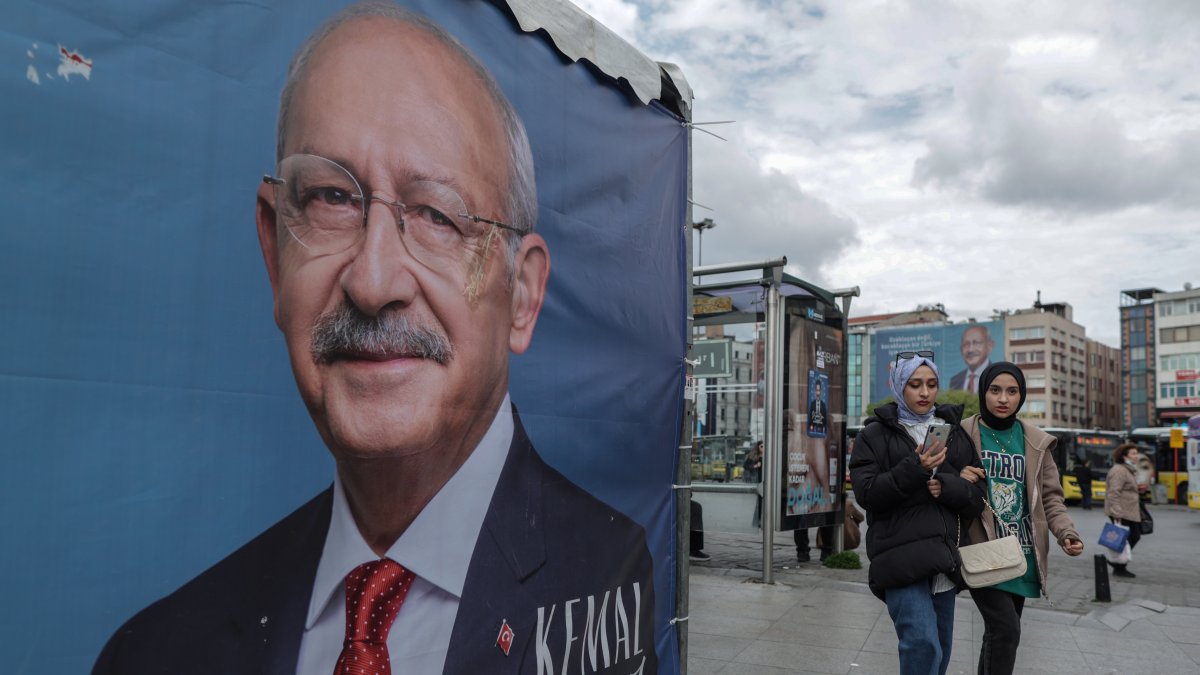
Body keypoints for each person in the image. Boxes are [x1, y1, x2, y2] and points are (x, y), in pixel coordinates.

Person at [93, 5, 657, 674]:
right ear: (275, 257)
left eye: (439, 215)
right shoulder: (154, 654)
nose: (373, 278)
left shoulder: (610, 574)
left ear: (523, 297)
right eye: (332, 198)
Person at [850, 352, 985, 675]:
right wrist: (916, 467)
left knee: (940, 651)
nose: (924, 393)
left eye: (931, 384)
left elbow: (977, 498)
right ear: (899, 387)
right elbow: (867, 494)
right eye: (915, 384)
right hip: (900, 558)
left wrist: (949, 485)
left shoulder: (952, 432)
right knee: (921, 644)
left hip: (943, 560)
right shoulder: (874, 435)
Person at [958, 362, 1084, 675]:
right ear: (983, 392)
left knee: (1000, 635)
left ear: (1021, 396)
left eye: (1012, 391)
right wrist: (958, 477)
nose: (1003, 398)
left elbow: (1051, 497)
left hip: (1022, 553)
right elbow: (944, 482)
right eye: (995, 390)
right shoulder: (963, 434)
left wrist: (1066, 532)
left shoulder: (1036, 442)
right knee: (1006, 631)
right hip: (982, 547)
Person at [1104, 443, 1143, 578]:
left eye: (1136, 453)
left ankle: (1118, 565)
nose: (1136, 456)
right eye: (1133, 453)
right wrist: (1116, 511)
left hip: (1129, 511)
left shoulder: (1128, 469)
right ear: (1124, 456)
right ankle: (1117, 565)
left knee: (1128, 537)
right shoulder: (1119, 470)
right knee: (1129, 537)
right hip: (1121, 511)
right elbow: (1113, 492)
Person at [949, 325, 994, 393]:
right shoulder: (955, 381)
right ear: (961, 350)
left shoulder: (997, 376)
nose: (970, 350)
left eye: (976, 343)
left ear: (989, 346)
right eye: (966, 344)